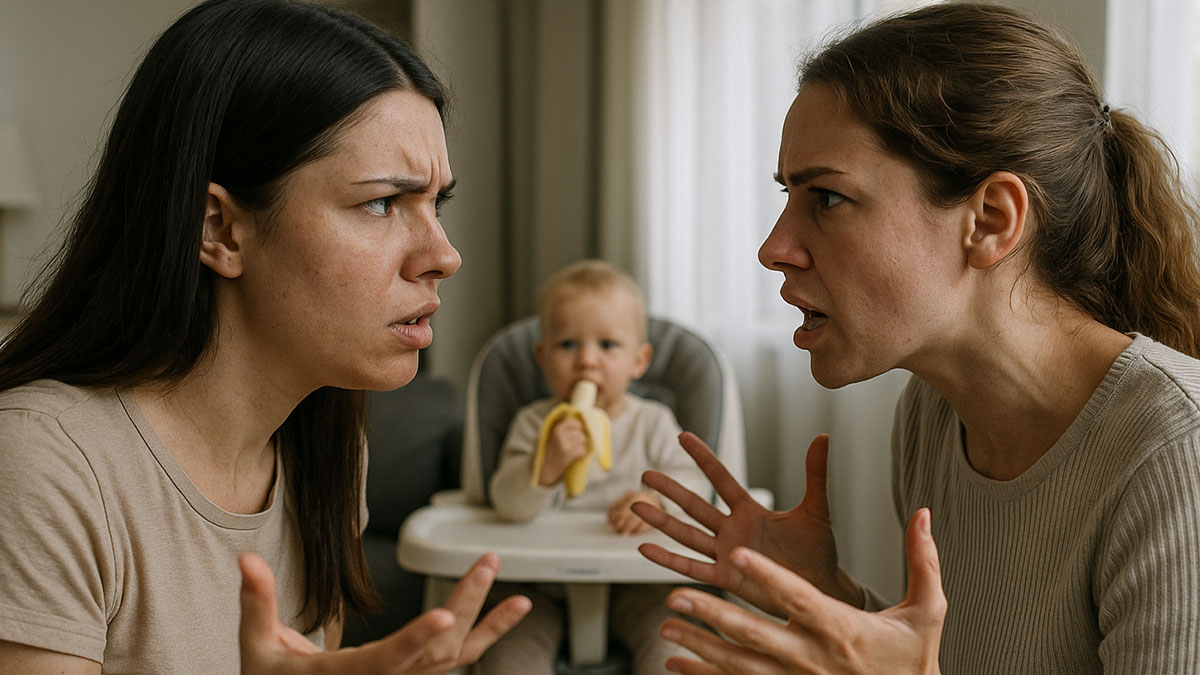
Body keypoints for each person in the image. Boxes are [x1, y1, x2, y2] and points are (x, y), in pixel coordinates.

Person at [631, 3, 1200, 674]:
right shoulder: (933, 415)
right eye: (786, 195)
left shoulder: (1177, 454)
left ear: (990, 220)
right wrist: (827, 595)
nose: (773, 247)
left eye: (827, 199)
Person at [0, 1, 531, 673]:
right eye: (380, 203)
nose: (443, 254)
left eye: (436, 203)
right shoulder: (43, 464)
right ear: (220, 228)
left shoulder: (327, 447)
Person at [478, 259, 710, 674]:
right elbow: (506, 504)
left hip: (637, 584)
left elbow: (696, 484)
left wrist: (655, 499)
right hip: (539, 587)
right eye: (568, 345)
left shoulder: (651, 422)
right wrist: (544, 467)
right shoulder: (534, 423)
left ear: (639, 361)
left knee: (675, 649)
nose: (587, 361)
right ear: (542, 356)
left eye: (607, 345)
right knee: (506, 654)